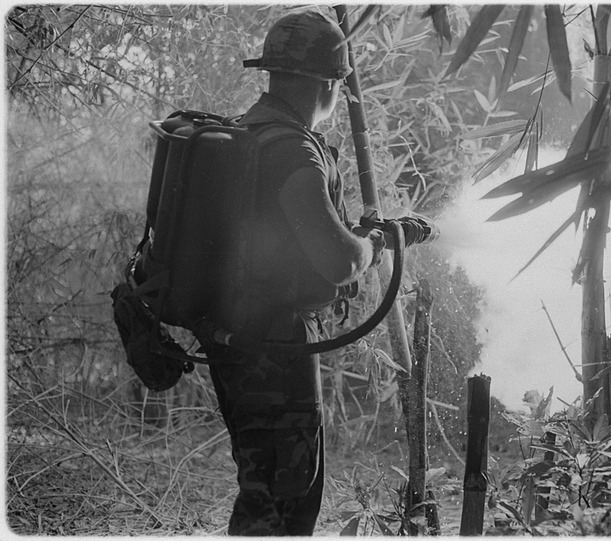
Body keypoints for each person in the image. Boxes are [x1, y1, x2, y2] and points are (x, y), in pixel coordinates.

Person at [206, 9, 384, 535]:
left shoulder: (250, 130)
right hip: (274, 345)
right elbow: (340, 259)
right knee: (283, 499)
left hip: (238, 333)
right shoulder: (291, 149)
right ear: (327, 84)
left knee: (266, 485)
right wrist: (375, 243)